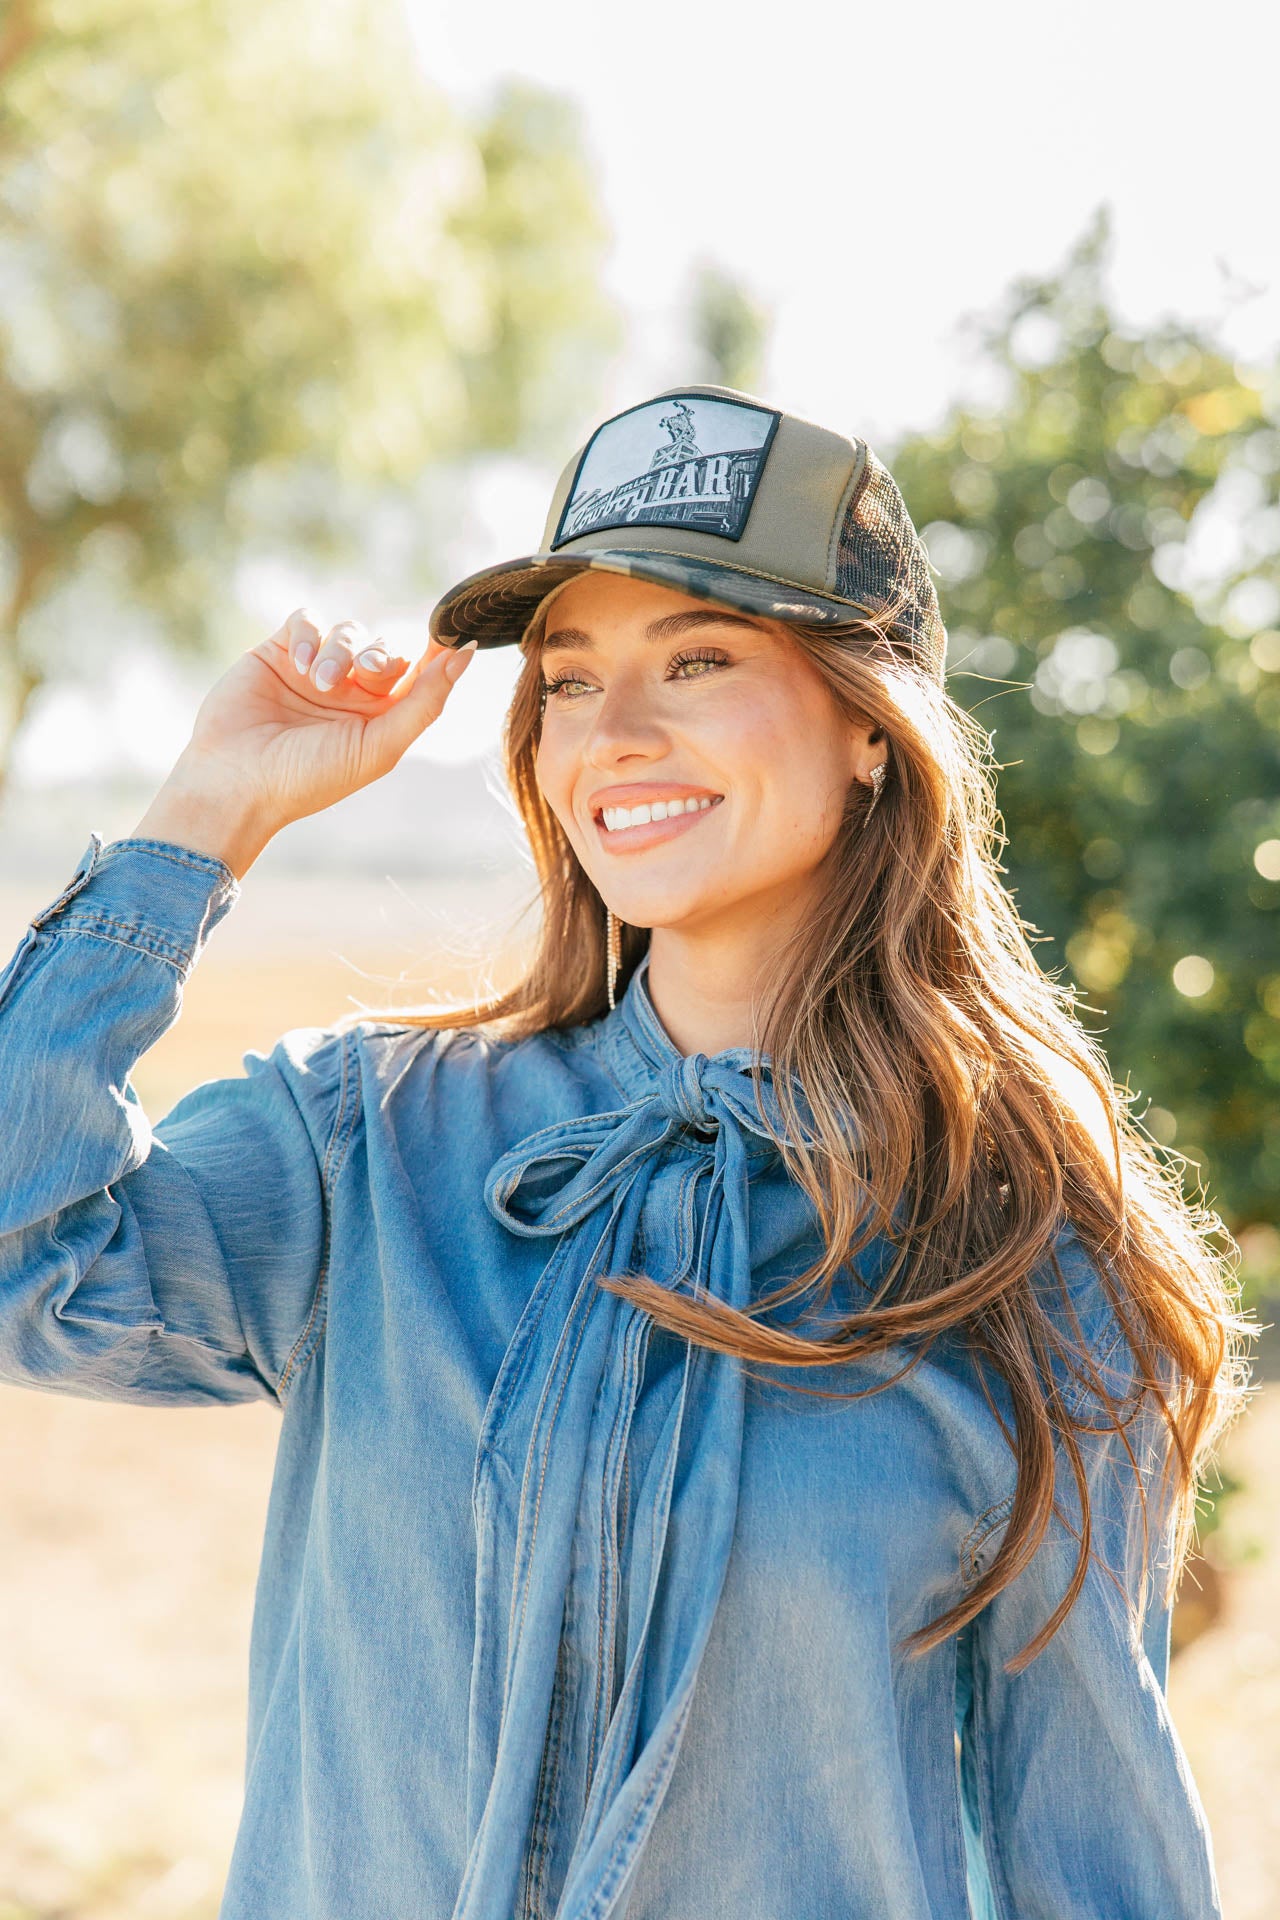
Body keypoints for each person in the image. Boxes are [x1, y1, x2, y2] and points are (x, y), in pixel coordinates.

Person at [0, 382, 1254, 1919]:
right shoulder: (370, 1142)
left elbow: (1094, 1849)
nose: (618, 734)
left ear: (871, 724)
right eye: (572, 679)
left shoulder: (1027, 1255)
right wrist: (203, 818)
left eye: (700, 659)